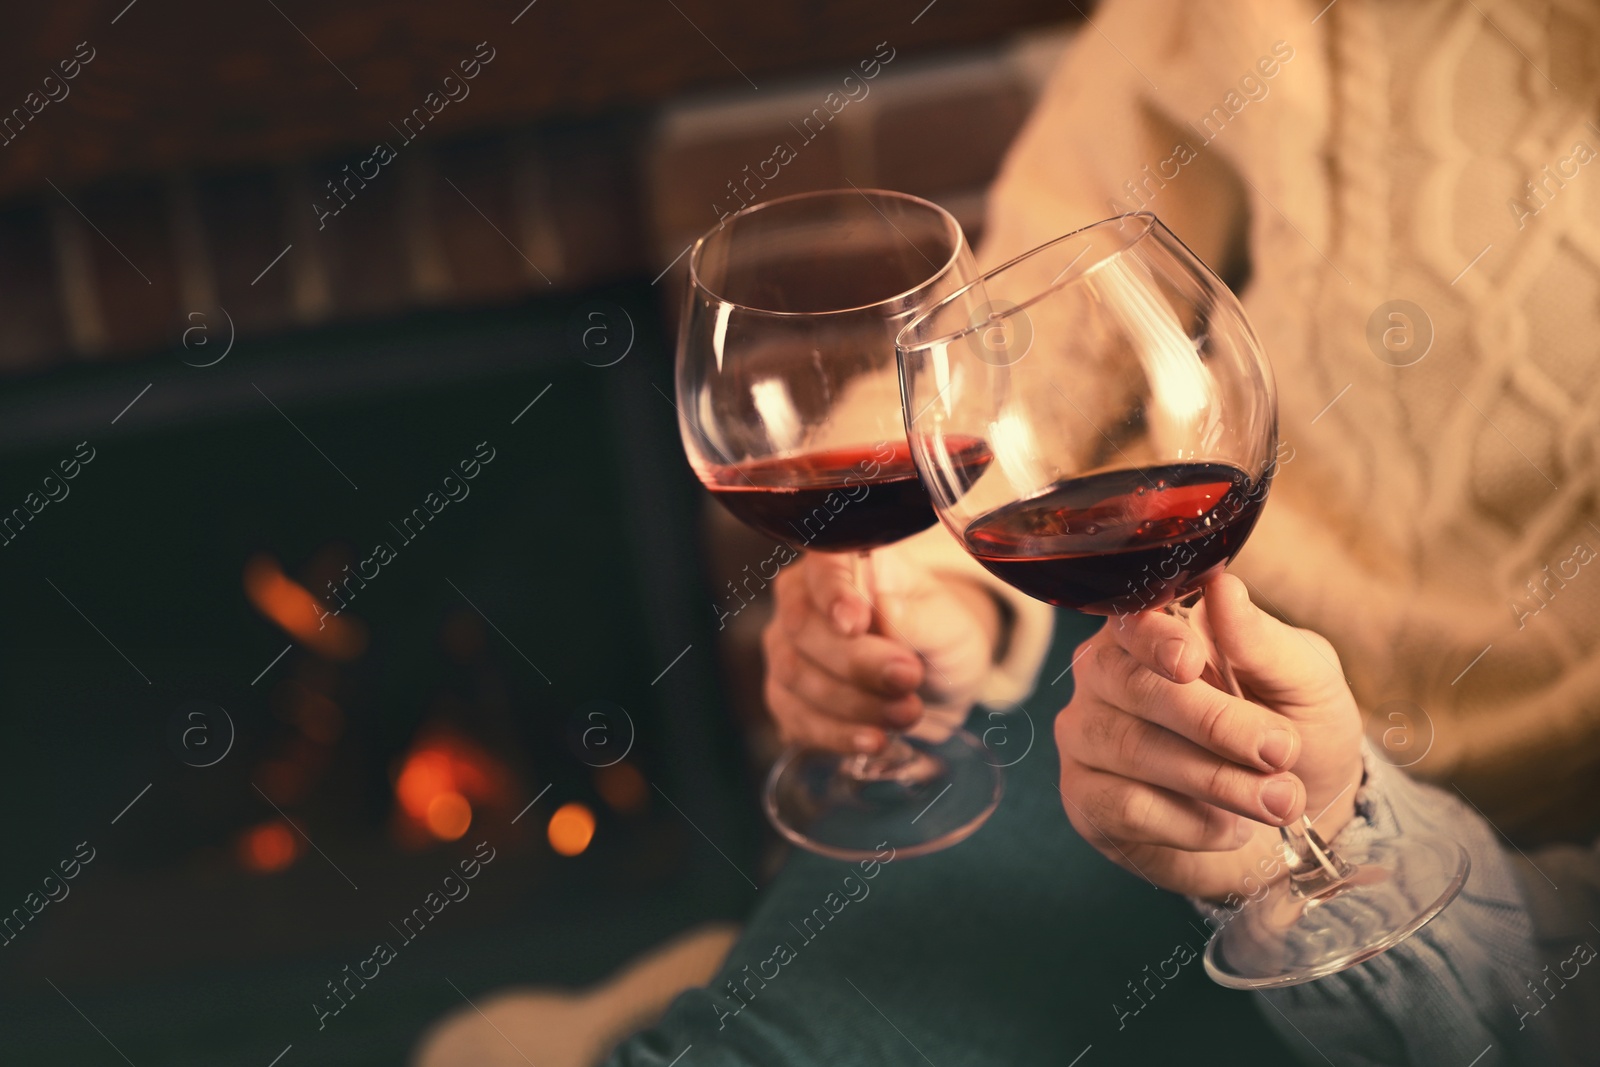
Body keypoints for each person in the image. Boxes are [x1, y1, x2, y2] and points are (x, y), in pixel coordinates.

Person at [421, 1, 1600, 1063]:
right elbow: (1022, 331)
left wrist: (1351, 821)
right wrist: (932, 587)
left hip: (1503, 839)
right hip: (1147, 679)